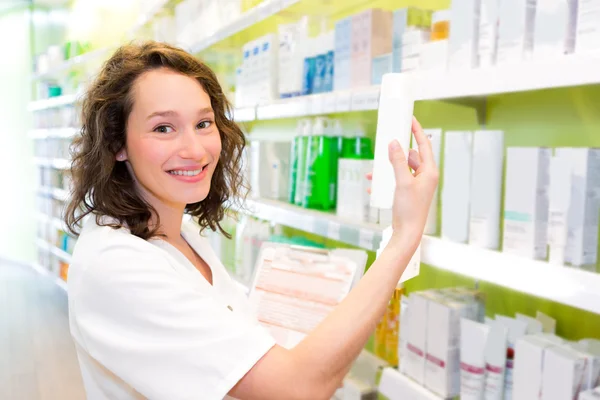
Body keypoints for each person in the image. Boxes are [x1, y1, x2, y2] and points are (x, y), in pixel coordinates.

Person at [64, 41, 438, 400]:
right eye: (163, 128)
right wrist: (403, 238)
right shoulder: (116, 264)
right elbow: (298, 388)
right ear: (117, 143)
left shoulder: (178, 232)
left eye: (203, 123)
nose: (195, 150)